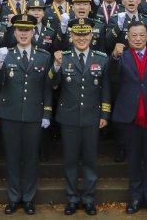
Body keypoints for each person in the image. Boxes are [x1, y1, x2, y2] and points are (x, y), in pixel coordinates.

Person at [109, 22, 147, 215]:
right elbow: (112, 78)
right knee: (134, 160)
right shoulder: (122, 57)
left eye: (141, 35)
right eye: (134, 35)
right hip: (130, 117)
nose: (138, 39)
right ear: (127, 37)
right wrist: (114, 57)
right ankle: (135, 197)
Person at [51, 17, 111, 215]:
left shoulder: (101, 58)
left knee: (90, 160)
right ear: (71, 36)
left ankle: (88, 198)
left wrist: (104, 113)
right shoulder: (64, 57)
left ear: (92, 35)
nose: (82, 38)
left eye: (85, 34)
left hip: (92, 116)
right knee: (69, 160)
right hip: (68, 117)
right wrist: (57, 66)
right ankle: (72, 198)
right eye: (78, 34)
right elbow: (52, 84)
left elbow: (106, 89)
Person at [0, 14, 53, 215]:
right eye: (20, 30)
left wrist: (46, 112)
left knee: (30, 158)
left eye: (27, 30)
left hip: (33, 113)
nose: (23, 33)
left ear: (33, 32)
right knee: (12, 157)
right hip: (10, 114)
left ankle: (28, 198)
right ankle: (13, 198)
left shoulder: (44, 56)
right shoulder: (6, 54)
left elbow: (47, 87)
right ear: (14, 32)